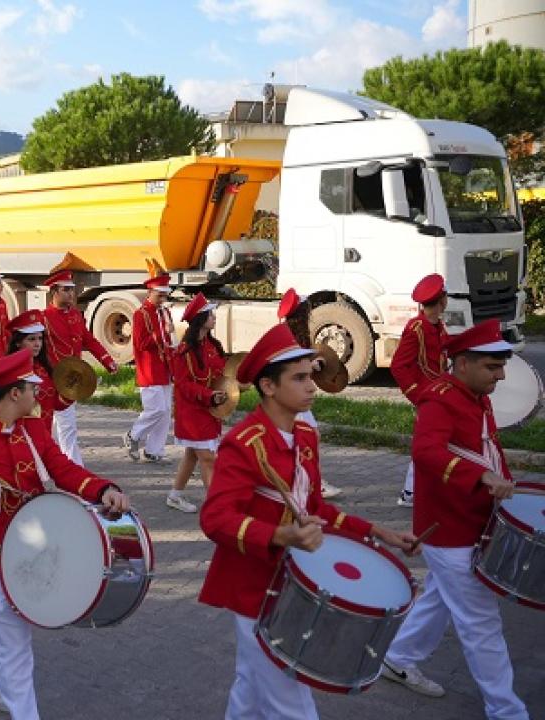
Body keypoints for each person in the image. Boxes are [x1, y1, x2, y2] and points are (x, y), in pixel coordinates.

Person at [198, 322, 417, 720]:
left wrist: (376, 531)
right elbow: (215, 518)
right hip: (253, 588)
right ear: (268, 386)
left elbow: (314, 508)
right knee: (292, 705)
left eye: (310, 376)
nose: (312, 386)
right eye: (299, 378)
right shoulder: (245, 444)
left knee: (250, 686)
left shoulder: (304, 436)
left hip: (289, 585)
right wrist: (279, 535)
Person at [0, 349, 130, 719]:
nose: (39, 394)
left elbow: (63, 469)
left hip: (31, 551)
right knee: (16, 638)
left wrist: (103, 489)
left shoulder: (33, 429)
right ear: (14, 393)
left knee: (0, 624)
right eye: (32, 388)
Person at [380, 319, 530, 718]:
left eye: (501, 367)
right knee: (481, 622)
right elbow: (425, 452)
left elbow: (485, 447)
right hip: (449, 530)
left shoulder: (474, 393)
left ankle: (398, 657)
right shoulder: (440, 399)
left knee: (441, 598)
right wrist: (479, 476)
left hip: (471, 520)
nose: (499, 375)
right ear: (462, 363)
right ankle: (506, 710)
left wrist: (504, 486)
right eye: (491, 367)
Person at [42, 270, 118, 464]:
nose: (71, 294)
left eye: (72, 290)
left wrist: (107, 360)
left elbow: (88, 340)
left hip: (72, 379)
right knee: (47, 426)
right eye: (65, 290)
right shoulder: (44, 318)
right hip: (50, 380)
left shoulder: (75, 314)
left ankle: (71, 466)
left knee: (67, 426)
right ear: (54, 292)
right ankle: (62, 464)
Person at [277, 288, 343, 499]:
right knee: (310, 436)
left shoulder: (295, 334)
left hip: (292, 395)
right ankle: (313, 483)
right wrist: (312, 366)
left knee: (305, 438)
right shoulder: (289, 336)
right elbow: (290, 367)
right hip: (290, 396)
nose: (310, 313)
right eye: (307, 310)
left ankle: (301, 480)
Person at [391, 274, 449, 508]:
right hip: (427, 395)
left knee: (435, 441)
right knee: (426, 442)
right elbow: (398, 366)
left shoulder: (437, 325)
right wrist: (417, 394)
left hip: (439, 392)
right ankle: (410, 493)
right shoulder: (417, 328)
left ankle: (417, 491)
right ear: (442, 300)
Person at [167, 293, 228, 513]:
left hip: (209, 409)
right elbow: (183, 385)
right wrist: (209, 395)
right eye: (210, 315)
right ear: (201, 319)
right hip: (192, 411)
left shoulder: (212, 345)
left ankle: (175, 496)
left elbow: (222, 372)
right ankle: (215, 506)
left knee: (193, 454)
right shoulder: (185, 351)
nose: (214, 318)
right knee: (207, 457)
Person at [124, 273, 175, 463]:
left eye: (165, 295)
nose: (163, 299)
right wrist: (160, 336)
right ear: (150, 292)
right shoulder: (141, 314)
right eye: (159, 295)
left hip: (165, 366)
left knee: (166, 411)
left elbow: (169, 340)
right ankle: (134, 435)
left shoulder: (164, 312)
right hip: (149, 368)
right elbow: (140, 343)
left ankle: (155, 450)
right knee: (156, 409)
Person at [6, 310, 65, 436]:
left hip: (45, 436)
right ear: (18, 343)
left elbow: (56, 404)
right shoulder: (9, 371)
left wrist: (70, 392)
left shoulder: (45, 369)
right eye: (31, 339)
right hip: (20, 438)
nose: (37, 344)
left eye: (40, 338)